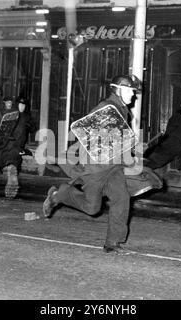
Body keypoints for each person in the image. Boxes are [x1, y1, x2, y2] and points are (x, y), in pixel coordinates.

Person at [42, 75, 162, 254]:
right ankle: (60, 194)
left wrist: (135, 150)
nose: (133, 95)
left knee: (121, 198)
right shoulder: (106, 108)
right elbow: (89, 138)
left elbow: (116, 141)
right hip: (96, 167)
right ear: (119, 89)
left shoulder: (120, 110)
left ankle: (113, 242)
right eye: (130, 91)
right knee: (92, 208)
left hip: (114, 167)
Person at [144, 95, 181, 195]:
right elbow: (170, 132)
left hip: (180, 145)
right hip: (170, 146)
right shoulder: (177, 116)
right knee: (154, 163)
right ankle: (135, 178)